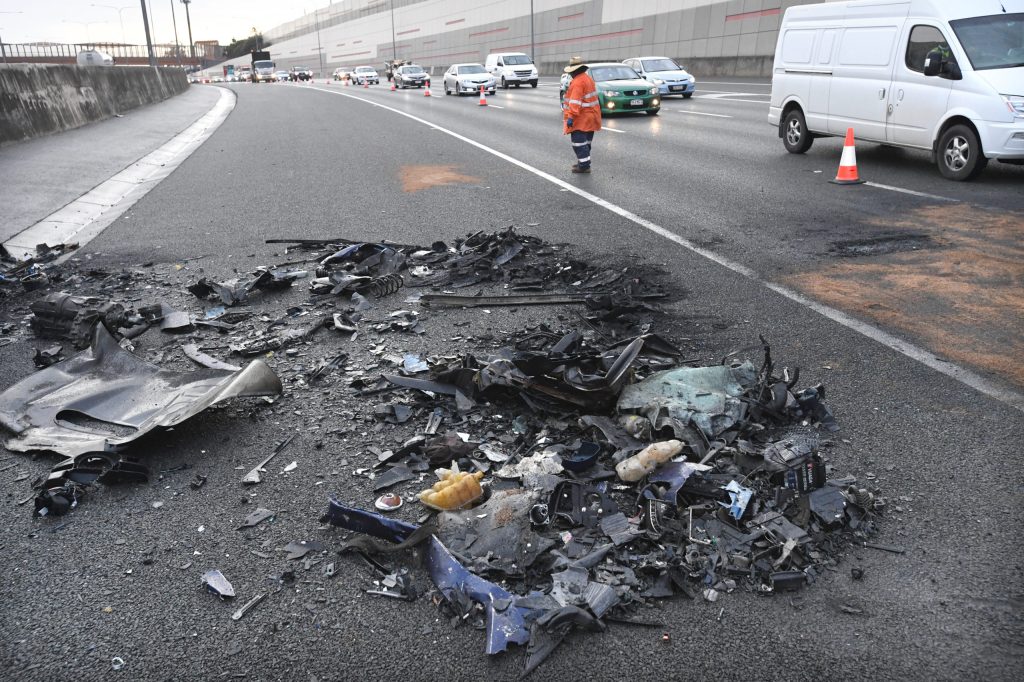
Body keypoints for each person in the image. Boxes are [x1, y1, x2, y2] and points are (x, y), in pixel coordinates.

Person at [561, 56, 601, 174]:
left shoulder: (577, 82)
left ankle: (584, 166)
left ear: (575, 71)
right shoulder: (588, 79)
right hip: (592, 116)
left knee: (578, 143)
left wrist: (570, 118)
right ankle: (583, 162)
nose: (571, 75)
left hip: (581, 118)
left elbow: (575, 102)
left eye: (571, 72)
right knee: (586, 143)